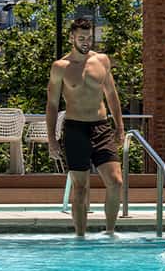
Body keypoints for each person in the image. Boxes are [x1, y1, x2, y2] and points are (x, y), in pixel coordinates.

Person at [47, 18, 125, 237]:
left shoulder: (102, 61)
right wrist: (52, 140)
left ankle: (110, 233)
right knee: (80, 188)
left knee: (116, 182)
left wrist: (120, 126)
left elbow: (111, 94)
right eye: (81, 38)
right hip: (74, 129)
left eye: (89, 38)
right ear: (72, 37)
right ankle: (80, 237)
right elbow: (52, 105)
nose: (86, 42)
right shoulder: (60, 67)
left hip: (101, 127)